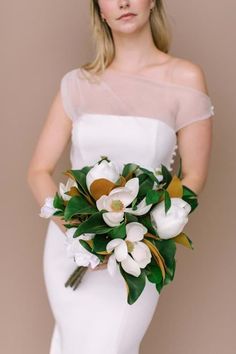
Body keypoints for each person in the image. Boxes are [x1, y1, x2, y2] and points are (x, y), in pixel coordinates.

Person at [27, 0, 214, 353]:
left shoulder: (185, 78)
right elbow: (37, 171)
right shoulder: (77, 83)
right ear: (100, 10)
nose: (124, 3)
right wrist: (79, 237)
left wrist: (145, 232)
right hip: (71, 248)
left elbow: (194, 176)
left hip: (137, 254)